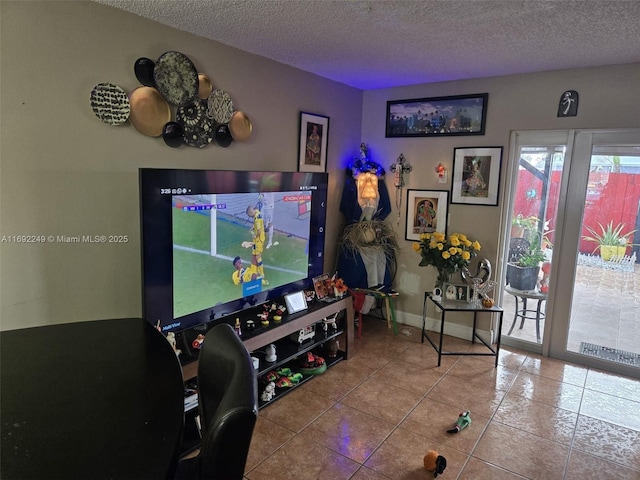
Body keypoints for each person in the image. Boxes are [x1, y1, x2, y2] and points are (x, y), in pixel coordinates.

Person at [246, 205, 268, 285]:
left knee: (258, 256)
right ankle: (256, 270)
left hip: (259, 240)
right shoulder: (258, 213)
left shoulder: (257, 218)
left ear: (250, 212)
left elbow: (259, 230)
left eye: (249, 215)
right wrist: (253, 227)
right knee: (254, 254)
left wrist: (255, 235)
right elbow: (258, 226)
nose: (250, 217)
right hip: (257, 240)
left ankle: (261, 274)